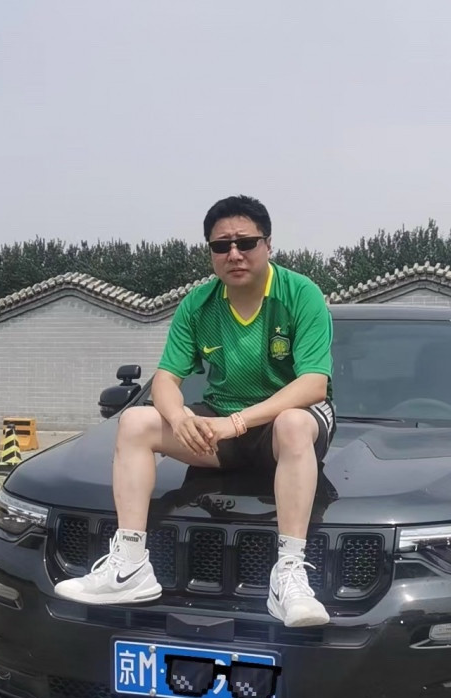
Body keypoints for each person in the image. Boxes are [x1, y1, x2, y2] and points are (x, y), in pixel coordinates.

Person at [54, 195, 336, 627]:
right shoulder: (198, 305)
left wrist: (237, 422)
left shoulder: (300, 294)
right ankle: (130, 566)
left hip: (281, 429)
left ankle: (290, 576)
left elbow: (313, 384)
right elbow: (166, 379)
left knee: (294, 422)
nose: (234, 254)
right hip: (220, 427)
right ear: (211, 252)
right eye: (221, 246)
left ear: (268, 244)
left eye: (246, 242)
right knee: (136, 421)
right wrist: (181, 418)